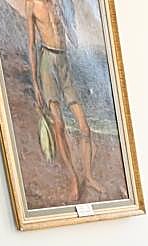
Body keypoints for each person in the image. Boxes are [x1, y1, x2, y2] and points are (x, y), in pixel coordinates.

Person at [26, 0, 104, 203]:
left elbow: (71, 36)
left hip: (64, 62)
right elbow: (31, 45)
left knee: (85, 128)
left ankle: (88, 175)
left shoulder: (58, 3)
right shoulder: (31, 5)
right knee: (59, 126)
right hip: (47, 64)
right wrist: (35, 85)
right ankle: (73, 178)